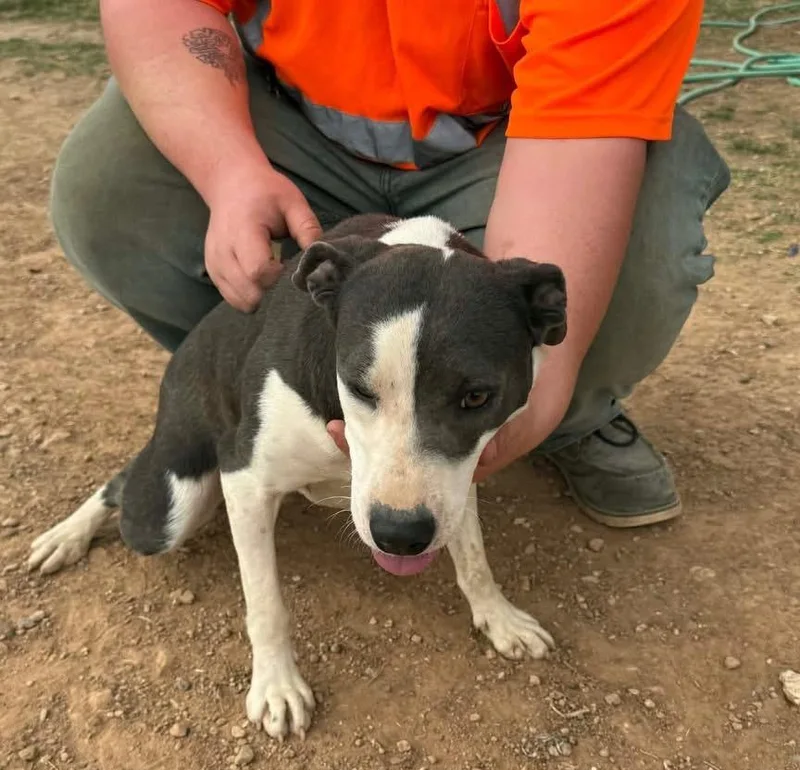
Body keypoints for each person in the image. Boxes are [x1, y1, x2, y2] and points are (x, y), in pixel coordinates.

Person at [50, 0, 730, 528]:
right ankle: (284, 399)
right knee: (107, 187)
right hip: (291, 119)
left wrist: (538, 395)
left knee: (641, 250)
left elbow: (577, 151)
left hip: (511, 137)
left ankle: (555, 422)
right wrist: (228, 172)